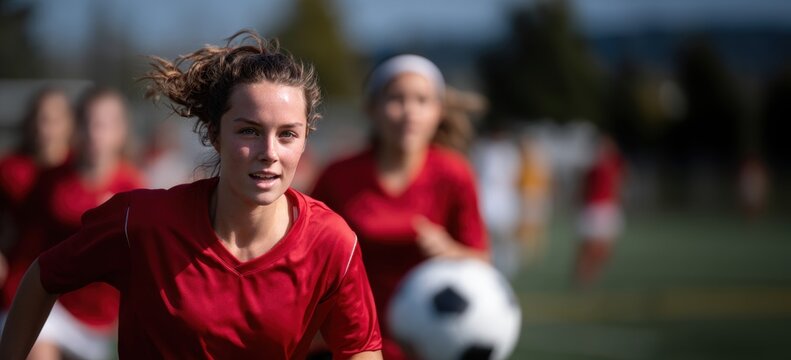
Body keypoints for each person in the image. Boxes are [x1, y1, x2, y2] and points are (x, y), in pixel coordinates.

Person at [0, 30, 382, 360]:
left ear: (304, 142)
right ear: (215, 134)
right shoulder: (143, 223)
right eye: (248, 131)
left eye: (287, 134)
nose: (269, 151)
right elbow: (44, 277)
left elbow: (360, 348)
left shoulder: (333, 243)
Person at [312, 54, 489, 360]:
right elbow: (307, 254)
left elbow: (482, 259)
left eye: (422, 100)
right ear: (372, 108)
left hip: (427, 344)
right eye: (396, 98)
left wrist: (449, 249)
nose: (409, 112)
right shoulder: (338, 175)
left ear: (439, 111)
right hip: (344, 343)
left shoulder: (455, 174)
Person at [17, 86, 145, 360]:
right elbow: (24, 237)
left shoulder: (134, 190)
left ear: (121, 131)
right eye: (88, 123)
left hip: (105, 324)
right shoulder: (50, 180)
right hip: (56, 310)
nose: (95, 134)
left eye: (105, 125)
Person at [0, 88, 75, 322]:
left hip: (75, 292)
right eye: (40, 118)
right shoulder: (10, 170)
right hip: (19, 283)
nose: (46, 128)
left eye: (54, 120)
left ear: (70, 124)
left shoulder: (79, 172)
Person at [573, 134, 625, 288]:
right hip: (594, 209)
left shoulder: (615, 165)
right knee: (588, 247)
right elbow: (583, 188)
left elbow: (618, 186)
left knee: (605, 249)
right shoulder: (592, 166)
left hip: (608, 209)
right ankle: (582, 277)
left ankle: (592, 276)